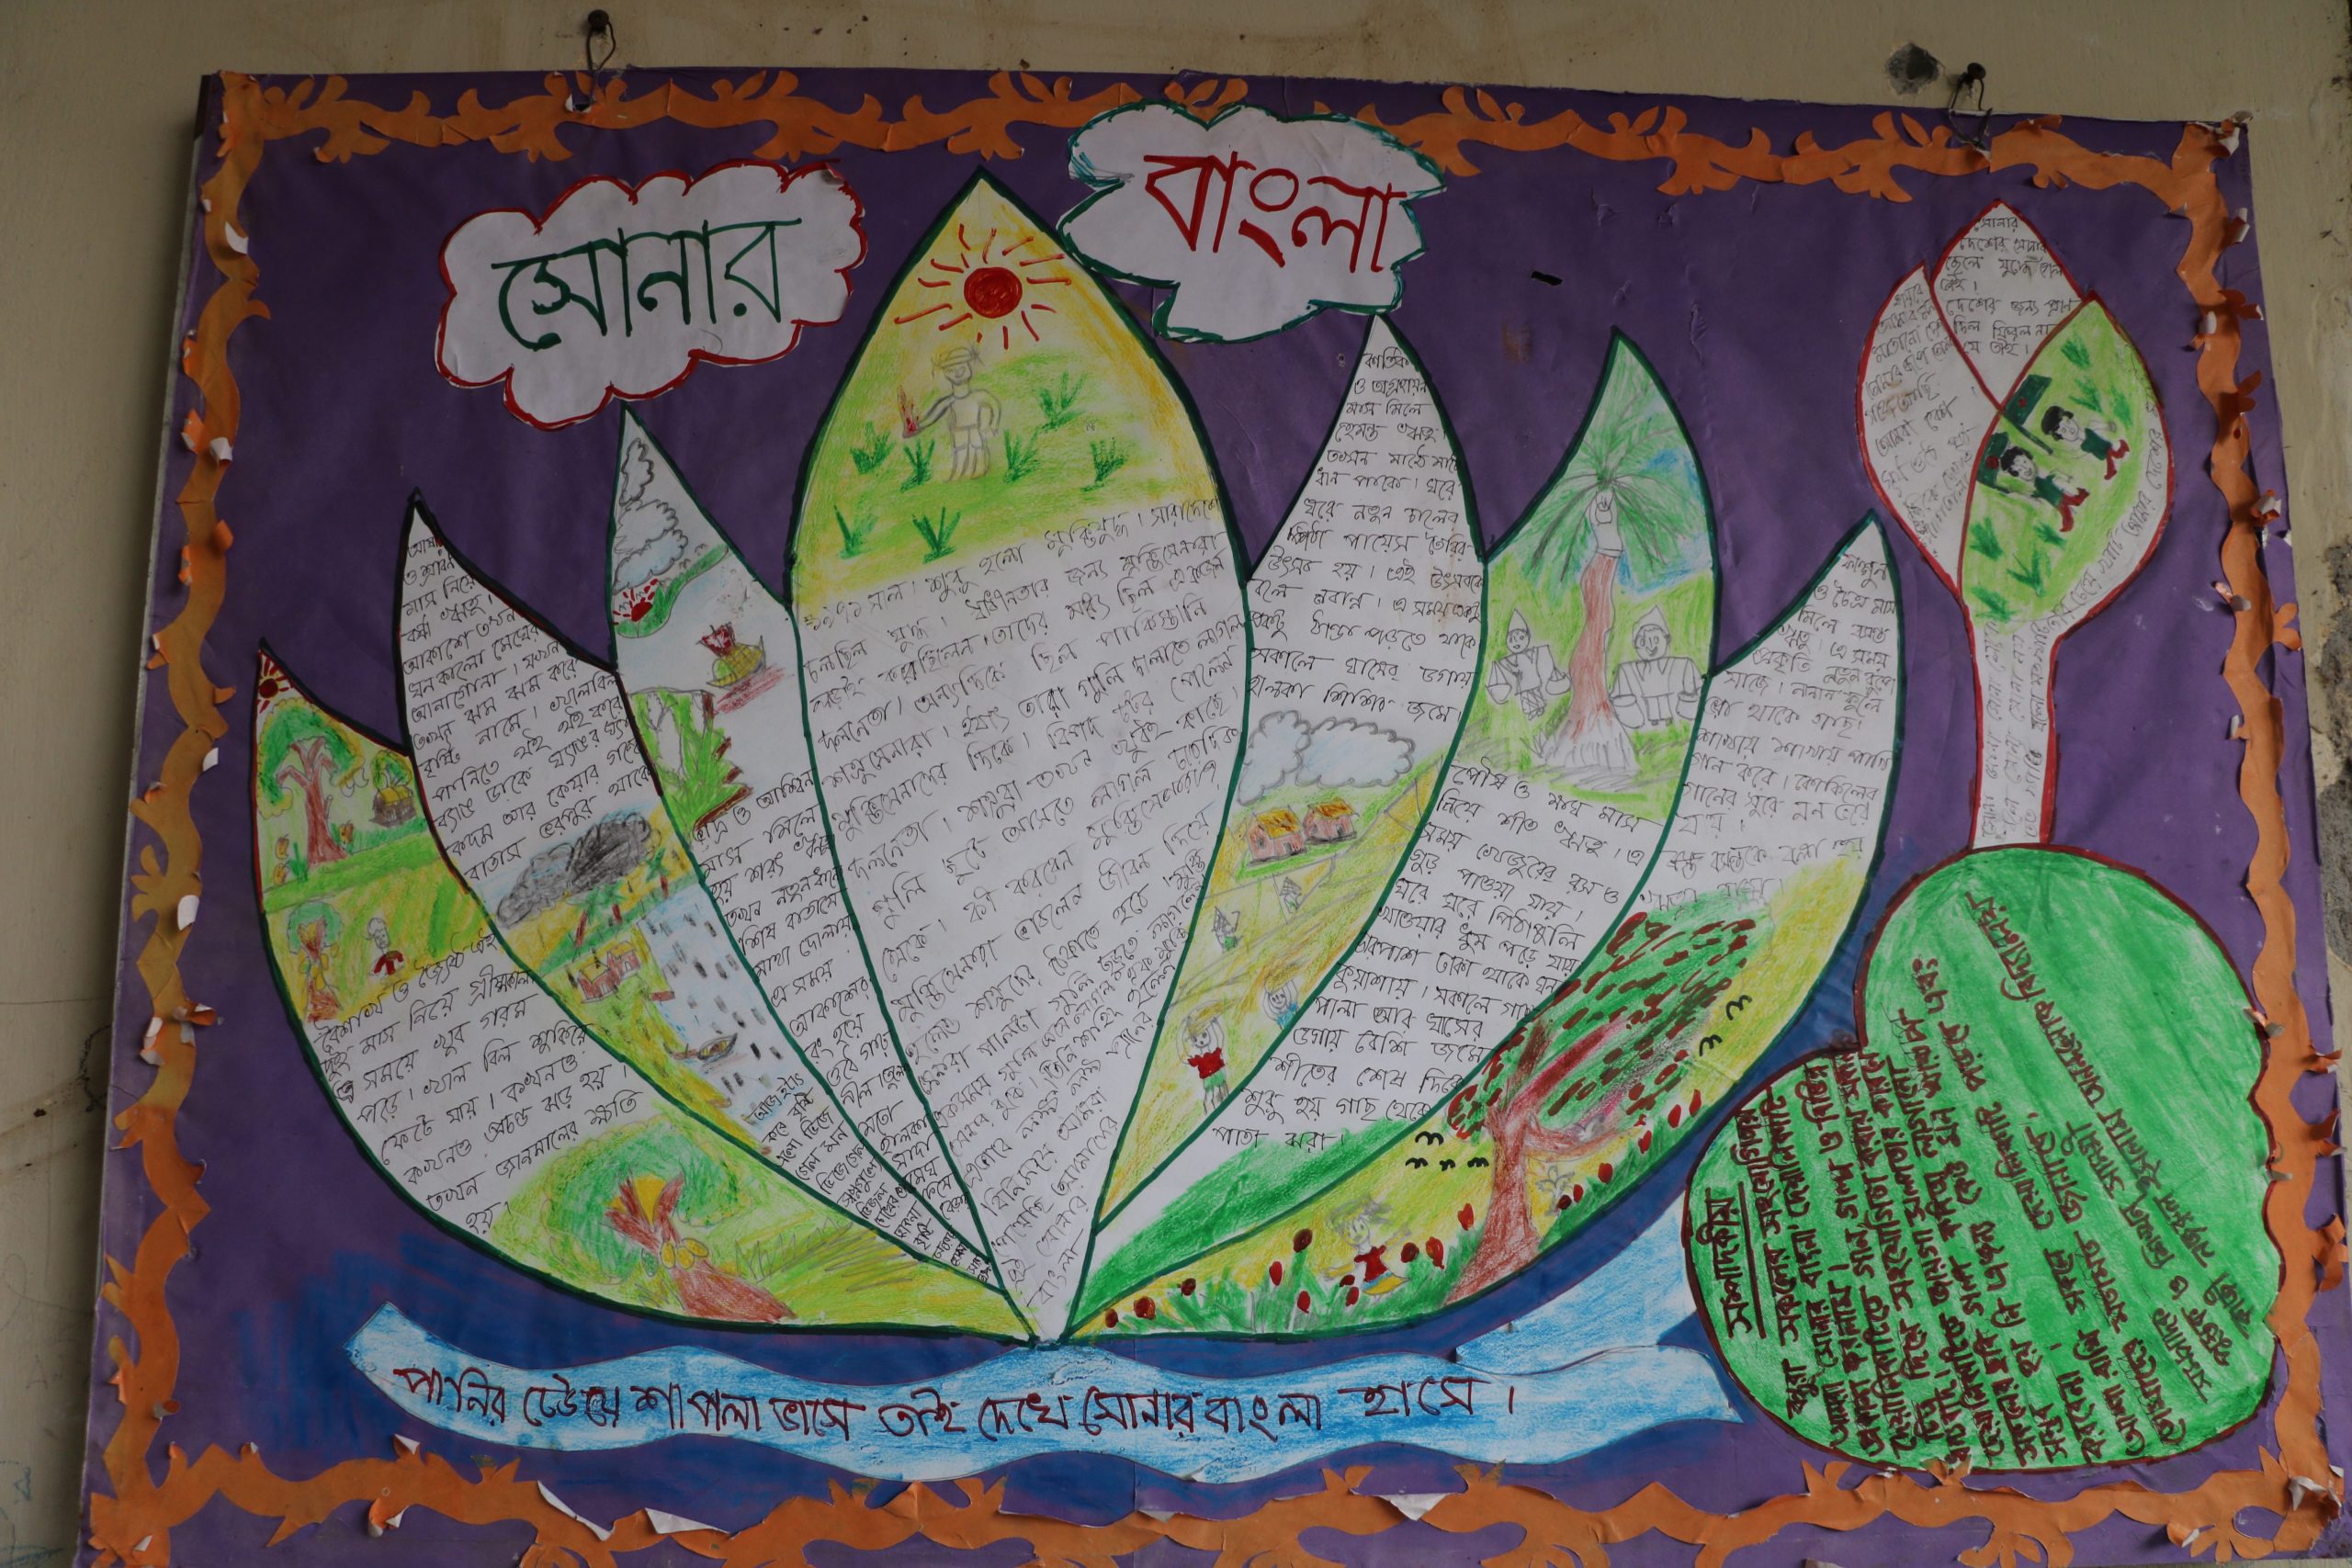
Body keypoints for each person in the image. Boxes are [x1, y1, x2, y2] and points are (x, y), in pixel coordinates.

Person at [911, 344, 1001, 479]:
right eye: (951, 370)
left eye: (962, 368)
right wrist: (918, 426)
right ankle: (960, 478)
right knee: (960, 459)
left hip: (975, 432)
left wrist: (993, 425)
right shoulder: (949, 401)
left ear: (969, 368)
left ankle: (980, 474)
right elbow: (933, 415)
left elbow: (994, 404)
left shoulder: (979, 395)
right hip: (959, 434)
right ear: (946, 374)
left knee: (979, 457)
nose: (958, 373)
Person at [1609, 610, 1702, 730]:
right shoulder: (1626, 672)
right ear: (1634, 644)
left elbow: (1699, 691)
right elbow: (1621, 702)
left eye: (1656, 639)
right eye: (1642, 642)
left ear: (1667, 639)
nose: (1650, 646)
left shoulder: (1684, 665)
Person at [1484, 610, 1571, 722]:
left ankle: (1539, 708)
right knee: (1526, 698)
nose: (1516, 643)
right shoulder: (1512, 659)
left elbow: (1539, 657)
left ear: (1528, 637)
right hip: (1523, 684)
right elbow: (1506, 665)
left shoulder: (1532, 653)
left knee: (1535, 695)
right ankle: (1532, 711)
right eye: (1511, 639)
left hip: (1533, 680)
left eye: (1521, 638)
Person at [1997, 446, 2089, 532]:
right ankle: (2068, 526)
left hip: (2060, 496)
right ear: (2016, 474)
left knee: (2075, 502)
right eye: (2019, 470)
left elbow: (2052, 479)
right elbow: (2039, 495)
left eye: (2025, 462)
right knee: (2066, 514)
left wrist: (2061, 477)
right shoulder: (2033, 487)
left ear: (2029, 458)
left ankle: (2083, 495)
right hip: (2056, 502)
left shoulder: (2044, 475)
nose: (2025, 469)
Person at [2040, 404, 2132, 479]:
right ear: (2059, 436)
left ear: (2071, 418)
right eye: (2063, 430)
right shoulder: (2081, 447)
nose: (2070, 429)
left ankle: (2119, 454)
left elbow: (2096, 425)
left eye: (2068, 422)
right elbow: (2072, 454)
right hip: (2101, 454)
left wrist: (2107, 426)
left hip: (2106, 446)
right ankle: (2116, 461)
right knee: (2110, 456)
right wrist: (2055, 453)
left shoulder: (2088, 429)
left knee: (2112, 453)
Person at [1184, 1015, 1230, 1111]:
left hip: (1217, 1074)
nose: (1201, 1041)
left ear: (1208, 1033)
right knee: (1210, 1094)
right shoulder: (1199, 1058)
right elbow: (1187, 1060)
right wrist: (1185, 1050)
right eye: (1196, 1039)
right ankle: (1209, 1110)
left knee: (1223, 1088)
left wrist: (1216, 1025)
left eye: (1204, 1035)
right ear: (1193, 1042)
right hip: (1208, 1078)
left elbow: (1221, 1038)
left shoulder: (1214, 1054)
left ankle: (1225, 1106)